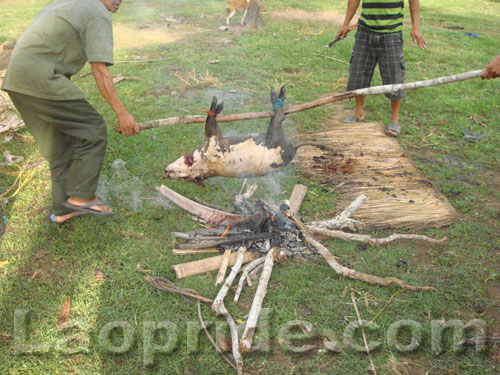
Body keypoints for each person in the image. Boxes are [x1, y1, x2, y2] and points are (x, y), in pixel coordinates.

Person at [1, 0, 139, 223]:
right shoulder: (97, 11)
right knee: (92, 129)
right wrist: (122, 112)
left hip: (16, 79)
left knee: (57, 145)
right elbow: (99, 68)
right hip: (42, 77)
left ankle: (63, 209)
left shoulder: (70, 2)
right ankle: (81, 198)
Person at [337, 0, 426, 137]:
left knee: (394, 76)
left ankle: (394, 120)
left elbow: (413, 1)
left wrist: (415, 27)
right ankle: (358, 114)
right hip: (365, 32)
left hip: (391, 33)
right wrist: (345, 24)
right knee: (359, 72)